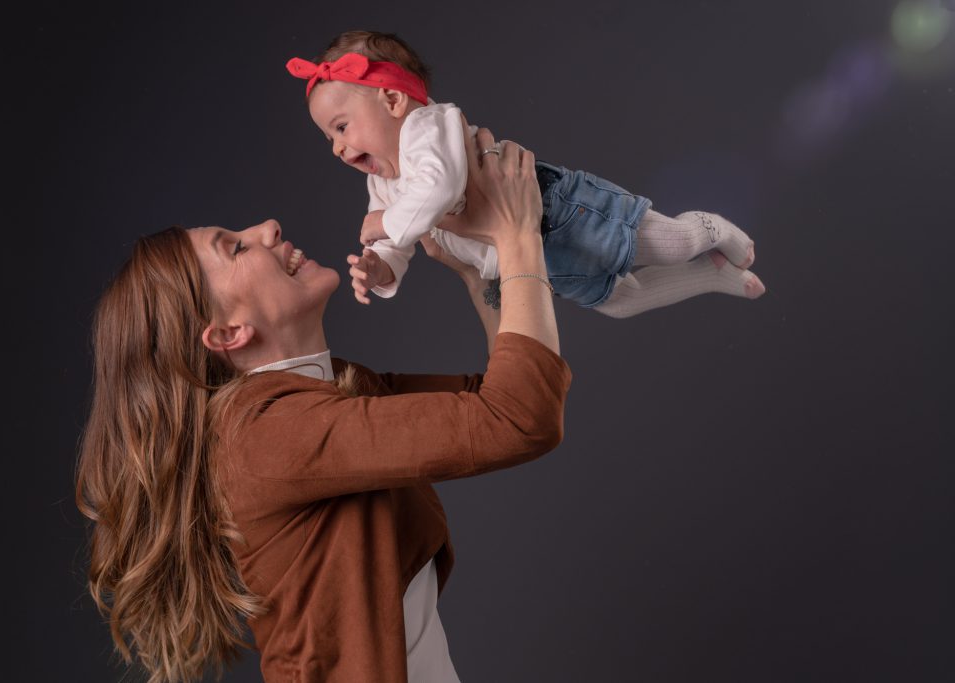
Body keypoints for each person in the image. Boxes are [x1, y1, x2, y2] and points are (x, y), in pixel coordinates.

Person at [76, 125, 571, 683]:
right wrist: (517, 235)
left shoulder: (332, 388)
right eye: (236, 247)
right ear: (227, 332)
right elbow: (521, 416)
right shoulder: (268, 434)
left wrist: (479, 265)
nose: (267, 227)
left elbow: (502, 394)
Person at [286, 30, 766, 316]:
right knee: (621, 302)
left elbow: (439, 188)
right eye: (330, 137)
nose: (338, 147)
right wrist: (381, 265)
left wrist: (385, 224)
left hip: (557, 214)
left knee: (669, 245)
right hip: (525, 255)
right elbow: (397, 240)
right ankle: (711, 277)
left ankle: (709, 229)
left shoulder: (426, 127)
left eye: (341, 127)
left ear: (392, 101)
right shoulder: (382, 182)